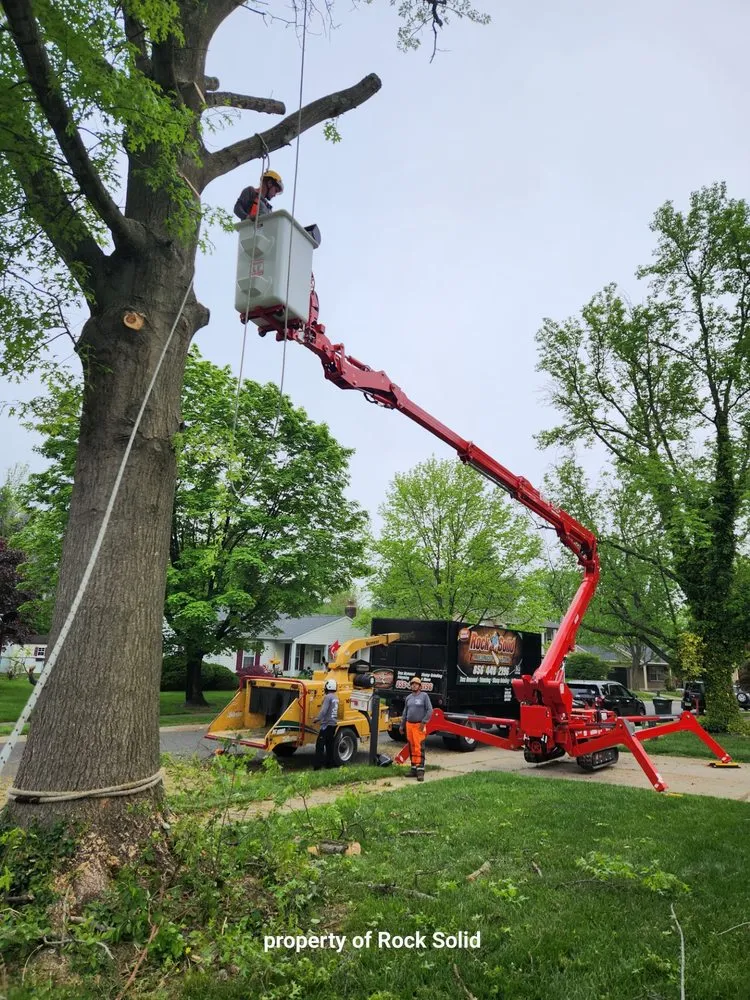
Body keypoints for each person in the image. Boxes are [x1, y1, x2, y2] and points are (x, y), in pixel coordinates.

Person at [400, 675, 433, 781]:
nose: (414, 686)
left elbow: (430, 710)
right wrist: (402, 725)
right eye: (412, 684)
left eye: (416, 684)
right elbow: (405, 712)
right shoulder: (408, 698)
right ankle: (413, 769)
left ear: (420, 686)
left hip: (419, 725)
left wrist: (424, 722)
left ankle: (420, 771)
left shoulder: (424, 696)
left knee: (419, 748)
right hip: (409, 725)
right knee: (412, 747)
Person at [313, 677, 339, 770]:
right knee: (329, 745)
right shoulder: (336, 697)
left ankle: (317, 767)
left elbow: (324, 711)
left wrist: (317, 719)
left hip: (326, 725)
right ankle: (329, 765)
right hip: (333, 724)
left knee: (319, 745)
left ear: (327, 687)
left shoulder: (328, 697)